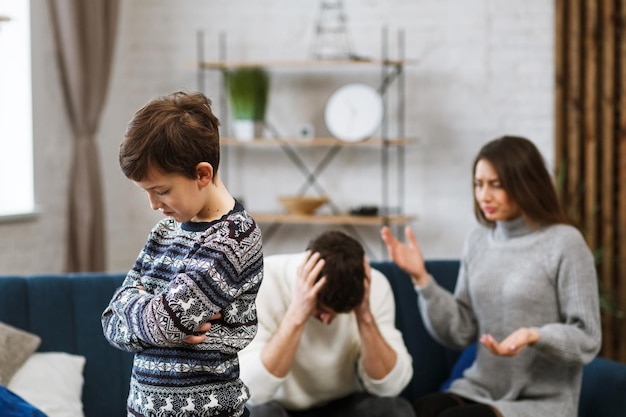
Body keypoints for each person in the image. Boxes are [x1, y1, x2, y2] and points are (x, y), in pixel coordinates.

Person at [381, 135, 602, 417]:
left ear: (526, 184)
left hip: (541, 402)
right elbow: (461, 331)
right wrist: (421, 279)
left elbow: (588, 337)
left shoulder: (565, 242)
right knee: (420, 411)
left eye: (496, 185)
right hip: (478, 389)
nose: (484, 196)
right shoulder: (477, 241)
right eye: (479, 184)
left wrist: (535, 335)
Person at [101, 91, 263, 417]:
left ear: (202, 174)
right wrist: (142, 310)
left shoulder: (235, 239)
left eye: (161, 191)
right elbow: (110, 323)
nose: (153, 204)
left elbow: (165, 323)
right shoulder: (164, 232)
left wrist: (133, 304)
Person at [239, 230, 415, 417]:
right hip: (278, 406)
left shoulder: (375, 285)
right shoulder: (259, 284)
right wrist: (297, 315)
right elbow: (253, 393)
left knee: (396, 410)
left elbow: (391, 388)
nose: (327, 321)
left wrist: (364, 316)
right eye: (321, 311)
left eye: (337, 314)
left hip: (343, 404)